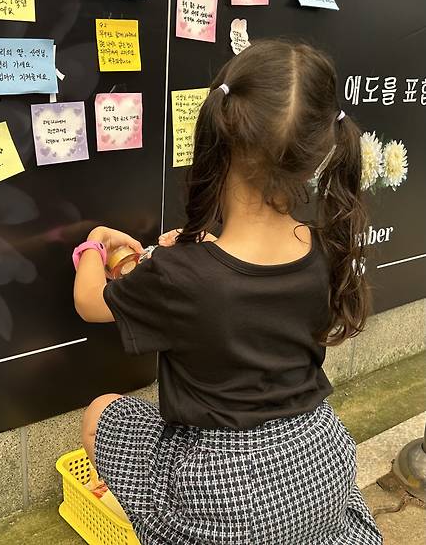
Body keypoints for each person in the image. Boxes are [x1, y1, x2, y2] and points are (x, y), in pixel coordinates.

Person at [71, 40, 383, 544]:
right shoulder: (326, 248)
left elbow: (90, 303)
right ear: (320, 153)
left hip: (222, 492)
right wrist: (194, 253)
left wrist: (91, 245)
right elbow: (249, 285)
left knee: (102, 413)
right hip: (323, 464)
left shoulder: (179, 273)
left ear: (219, 129)